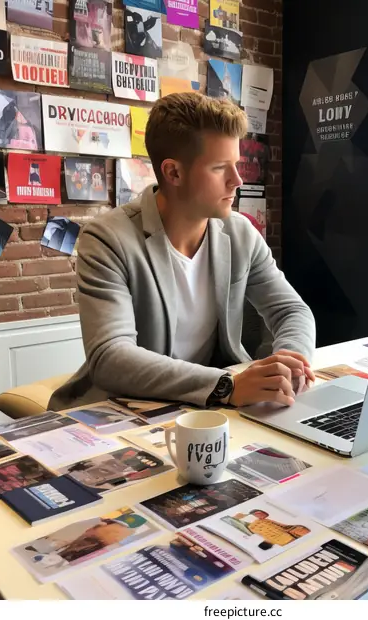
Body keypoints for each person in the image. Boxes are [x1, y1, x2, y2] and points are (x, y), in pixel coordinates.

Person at [48, 92, 316, 413]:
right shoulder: (108, 238)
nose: (238, 180)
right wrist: (225, 386)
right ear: (174, 173)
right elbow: (111, 356)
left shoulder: (240, 232)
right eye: (220, 168)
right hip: (129, 410)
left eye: (237, 165)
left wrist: (291, 362)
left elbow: (291, 311)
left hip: (208, 410)